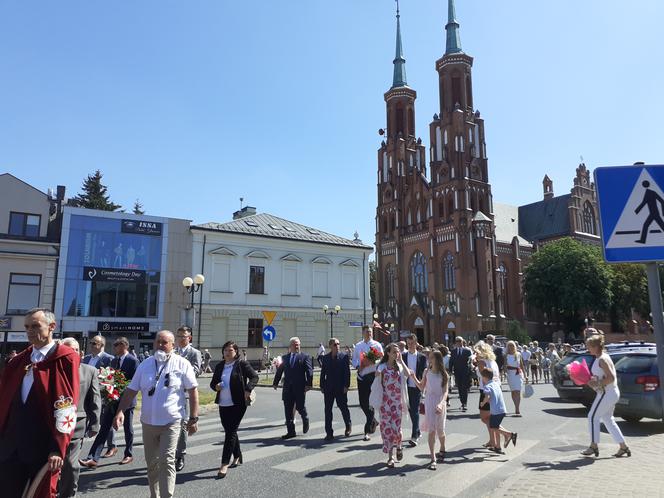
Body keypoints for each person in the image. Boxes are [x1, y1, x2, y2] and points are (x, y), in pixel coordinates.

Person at [0, 308, 80, 498]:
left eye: (35, 326)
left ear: (52, 326)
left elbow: (66, 404)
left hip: (42, 447)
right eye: (27, 327)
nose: (29, 331)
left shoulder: (65, 358)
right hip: (11, 446)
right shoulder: (18, 361)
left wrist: (57, 447)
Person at [113, 330, 199, 498]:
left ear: (172, 346)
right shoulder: (145, 364)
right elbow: (131, 390)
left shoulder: (182, 364)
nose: (160, 345)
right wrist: (120, 411)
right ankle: (155, 495)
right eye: (158, 341)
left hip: (171, 422)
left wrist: (194, 418)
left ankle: (167, 496)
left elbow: (193, 391)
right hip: (148, 423)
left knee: (167, 461)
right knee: (152, 464)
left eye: (164, 342)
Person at [80, 337, 138, 468]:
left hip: (127, 401)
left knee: (128, 429)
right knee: (104, 428)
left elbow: (134, 382)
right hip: (113, 399)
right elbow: (110, 377)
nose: (114, 347)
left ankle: (128, 454)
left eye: (117, 345)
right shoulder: (114, 360)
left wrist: (121, 387)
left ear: (124, 346)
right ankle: (92, 458)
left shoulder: (133, 360)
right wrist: (108, 388)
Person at [58, 338, 101, 498]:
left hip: (76, 425)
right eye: (68, 349)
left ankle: (68, 494)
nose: (72, 353)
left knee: (70, 465)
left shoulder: (89, 371)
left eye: (75, 350)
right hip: (51, 426)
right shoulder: (53, 369)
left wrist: (95, 423)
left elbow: (95, 399)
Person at [210, 340, 258, 479]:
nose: (227, 352)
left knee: (230, 432)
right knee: (230, 430)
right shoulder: (219, 366)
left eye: (230, 350)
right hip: (223, 403)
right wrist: (216, 386)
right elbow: (213, 383)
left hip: (238, 403)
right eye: (225, 350)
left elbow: (254, 377)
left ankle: (224, 464)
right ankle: (237, 455)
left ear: (236, 352)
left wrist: (248, 389)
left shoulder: (241, 364)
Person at [582, 334, 631, 458]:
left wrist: (596, 383)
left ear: (596, 346)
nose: (587, 348)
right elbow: (603, 376)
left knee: (592, 416)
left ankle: (594, 445)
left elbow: (611, 378)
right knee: (608, 419)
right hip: (608, 393)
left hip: (607, 393)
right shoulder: (601, 357)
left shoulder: (602, 359)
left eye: (589, 346)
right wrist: (594, 381)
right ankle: (623, 447)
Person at [409, 350, 449, 470]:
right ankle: (433, 458)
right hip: (430, 402)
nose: (429, 360)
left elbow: (445, 391)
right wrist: (413, 377)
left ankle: (442, 447)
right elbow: (421, 387)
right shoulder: (426, 372)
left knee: (440, 430)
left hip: (440, 401)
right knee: (431, 430)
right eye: (429, 358)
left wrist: (441, 404)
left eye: (431, 358)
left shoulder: (444, 374)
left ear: (437, 359)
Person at [374, 343, 410, 467]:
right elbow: (377, 376)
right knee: (387, 430)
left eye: (398, 352)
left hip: (397, 403)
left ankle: (399, 446)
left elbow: (408, 374)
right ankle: (391, 457)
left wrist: (401, 361)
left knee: (397, 429)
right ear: (388, 353)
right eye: (394, 352)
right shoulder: (382, 366)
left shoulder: (399, 366)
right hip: (385, 403)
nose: (396, 354)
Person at [173, 326, 202, 472]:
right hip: (171, 393)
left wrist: (182, 368)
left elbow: (197, 371)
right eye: (178, 336)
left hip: (185, 393)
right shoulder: (172, 352)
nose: (180, 339)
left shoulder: (194, 353)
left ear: (189, 338)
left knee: (183, 425)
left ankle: (180, 455)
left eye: (183, 336)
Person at [81, 335, 116, 457]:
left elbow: (111, 379)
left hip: (101, 395)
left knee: (104, 421)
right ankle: (80, 441)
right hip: (86, 394)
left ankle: (112, 446)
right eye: (91, 343)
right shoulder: (85, 359)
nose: (91, 345)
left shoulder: (109, 359)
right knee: (85, 417)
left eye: (94, 343)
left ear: (102, 345)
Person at [272, 337, 313, 439]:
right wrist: (275, 383)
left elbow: (309, 371)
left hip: (300, 387)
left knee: (300, 407)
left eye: (298, 344)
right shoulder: (285, 358)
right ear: (290, 346)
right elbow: (280, 371)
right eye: (295, 344)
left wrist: (309, 384)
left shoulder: (304, 357)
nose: (297, 346)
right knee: (288, 410)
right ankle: (291, 432)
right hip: (287, 388)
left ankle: (305, 418)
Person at [352, 326, 384, 441]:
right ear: (363, 333)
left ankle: (367, 431)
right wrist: (359, 366)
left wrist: (372, 361)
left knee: (372, 402)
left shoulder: (377, 345)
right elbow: (354, 360)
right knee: (363, 402)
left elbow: (382, 359)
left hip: (373, 376)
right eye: (367, 332)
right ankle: (374, 421)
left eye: (370, 332)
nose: (369, 333)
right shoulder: (359, 346)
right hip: (362, 377)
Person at [320, 337, 352, 441]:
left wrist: (346, 386)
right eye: (335, 344)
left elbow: (347, 373)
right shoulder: (326, 358)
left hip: (340, 388)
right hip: (329, 388)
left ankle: (348, 425)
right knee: (328, 410)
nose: (337, 346)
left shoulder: (344, 357)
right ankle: (329, 433)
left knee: (343, 408)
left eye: (338, 344)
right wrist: (322, 386)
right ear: (330, 346)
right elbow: (323, 373)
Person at [480, 368, 517, 454]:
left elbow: (488, 396)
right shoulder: (496, 384)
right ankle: (497, 447)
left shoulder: (487, 386)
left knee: (493, 427)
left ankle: (510, 434)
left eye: (482, 377)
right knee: (496, 427)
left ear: (484, 378)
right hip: (502, 409)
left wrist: (483, 403)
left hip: (495, 411)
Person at [474, 341, 501, 448]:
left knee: (485, 417)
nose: (475, 354)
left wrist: (476, 365)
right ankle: (492, 440)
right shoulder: (492, 361)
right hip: (496, 388)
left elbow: (483, 377)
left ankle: (505, 434)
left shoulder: (482, 362)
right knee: (490, 417)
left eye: (476, 352)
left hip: (487, 390)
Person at [402, 334, 427, 447]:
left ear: (416, 343)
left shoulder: (422, 357)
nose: (410, 345)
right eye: (408, 343)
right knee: (410, 410)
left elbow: (423, 372)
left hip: (417, 387)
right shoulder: (403, 356)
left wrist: (422, 385)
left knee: (415, 411)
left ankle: (414, 436)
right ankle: (417, 430)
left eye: (412, 343)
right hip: (406, 387)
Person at [449, 336, 472, 411]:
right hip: (457, 372)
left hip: (465, 372)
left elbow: (470, 362)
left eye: (460, 341)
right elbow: (451, 361)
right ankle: (462, 402)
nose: (458, 342)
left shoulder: (467, 351)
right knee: (459, 387)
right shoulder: (453, 351)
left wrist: (469, 370)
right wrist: (450, 370)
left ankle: (464, 403)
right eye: (457, 341)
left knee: (464, 387)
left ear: (462, 342)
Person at [504, 341, 525, 416]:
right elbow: (505, 366)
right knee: (513, 392)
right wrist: (505, 373)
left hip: (518, 374)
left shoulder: (518, 354)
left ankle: (517, 408)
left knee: (518, 391)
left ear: (514, 346)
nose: (510, 347)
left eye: (512, 345)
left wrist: (525, 375)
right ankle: (515, 405)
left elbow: (522, 365)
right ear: (507, 347)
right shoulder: (506, 355)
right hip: (510, 374)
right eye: (509, 346)